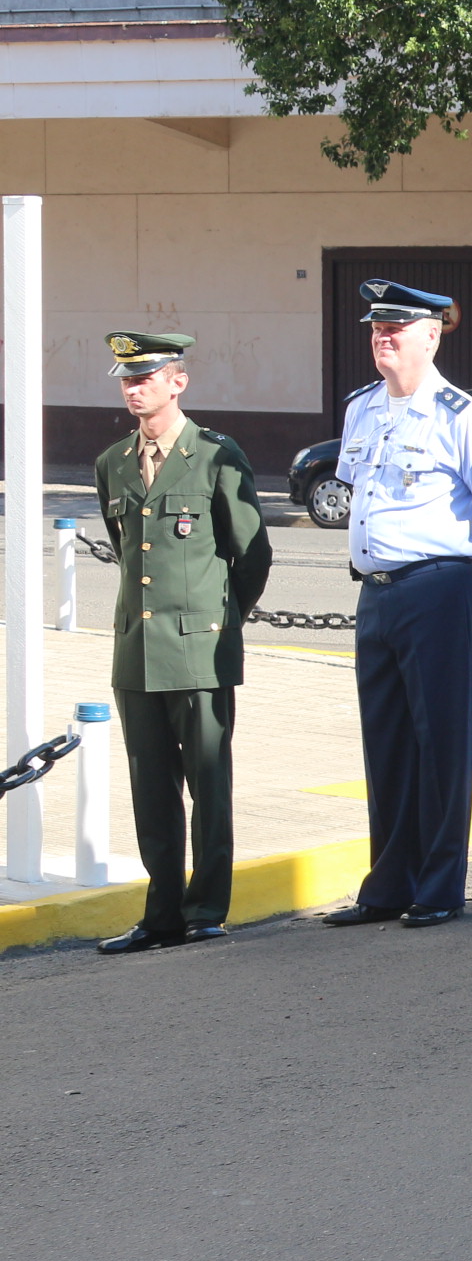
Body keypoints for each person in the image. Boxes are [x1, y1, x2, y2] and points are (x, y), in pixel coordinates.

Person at [320, 280, 472, 930]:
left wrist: (455, 572)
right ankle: (387, 884)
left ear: (431, 336)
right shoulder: (361, 409)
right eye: (376, 327)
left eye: (396, 327)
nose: (382, 336)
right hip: (376, 592)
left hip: (436, 587)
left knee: (442, 746)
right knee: (386, 743)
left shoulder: (462, 416)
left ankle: (438, 887)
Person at [90, 331, 273, 955]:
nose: (133, 389)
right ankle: (162, 912)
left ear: (178, 382)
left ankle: (206, 908)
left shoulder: (216, 454)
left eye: (145, 377)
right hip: (137, 651)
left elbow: (251, 554)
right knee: (151, 789)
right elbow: (127, 552)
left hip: (199, 650)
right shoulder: (113, 462)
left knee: (208, 783)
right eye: (126, 379)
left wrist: (219, 620)